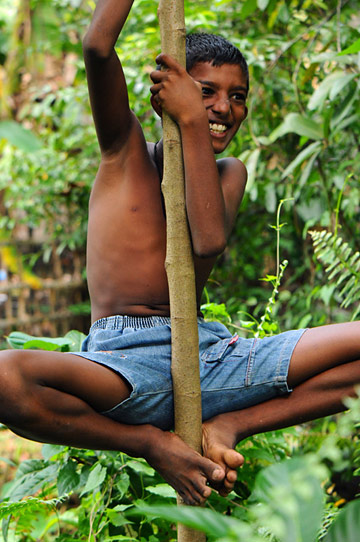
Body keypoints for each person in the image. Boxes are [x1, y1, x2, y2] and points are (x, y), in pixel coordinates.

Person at [0, 0, 359, 506]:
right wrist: (148, 442)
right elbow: (97, 47)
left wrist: (191, 116)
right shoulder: (123, 150)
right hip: (123, 363)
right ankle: (151, 443)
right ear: (165, 90)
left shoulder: (230, 174)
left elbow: (205, 238)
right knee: (5, 378)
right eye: (206, 91)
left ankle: (230, 424)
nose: (223, 107)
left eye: (238, 96)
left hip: (210, 357)